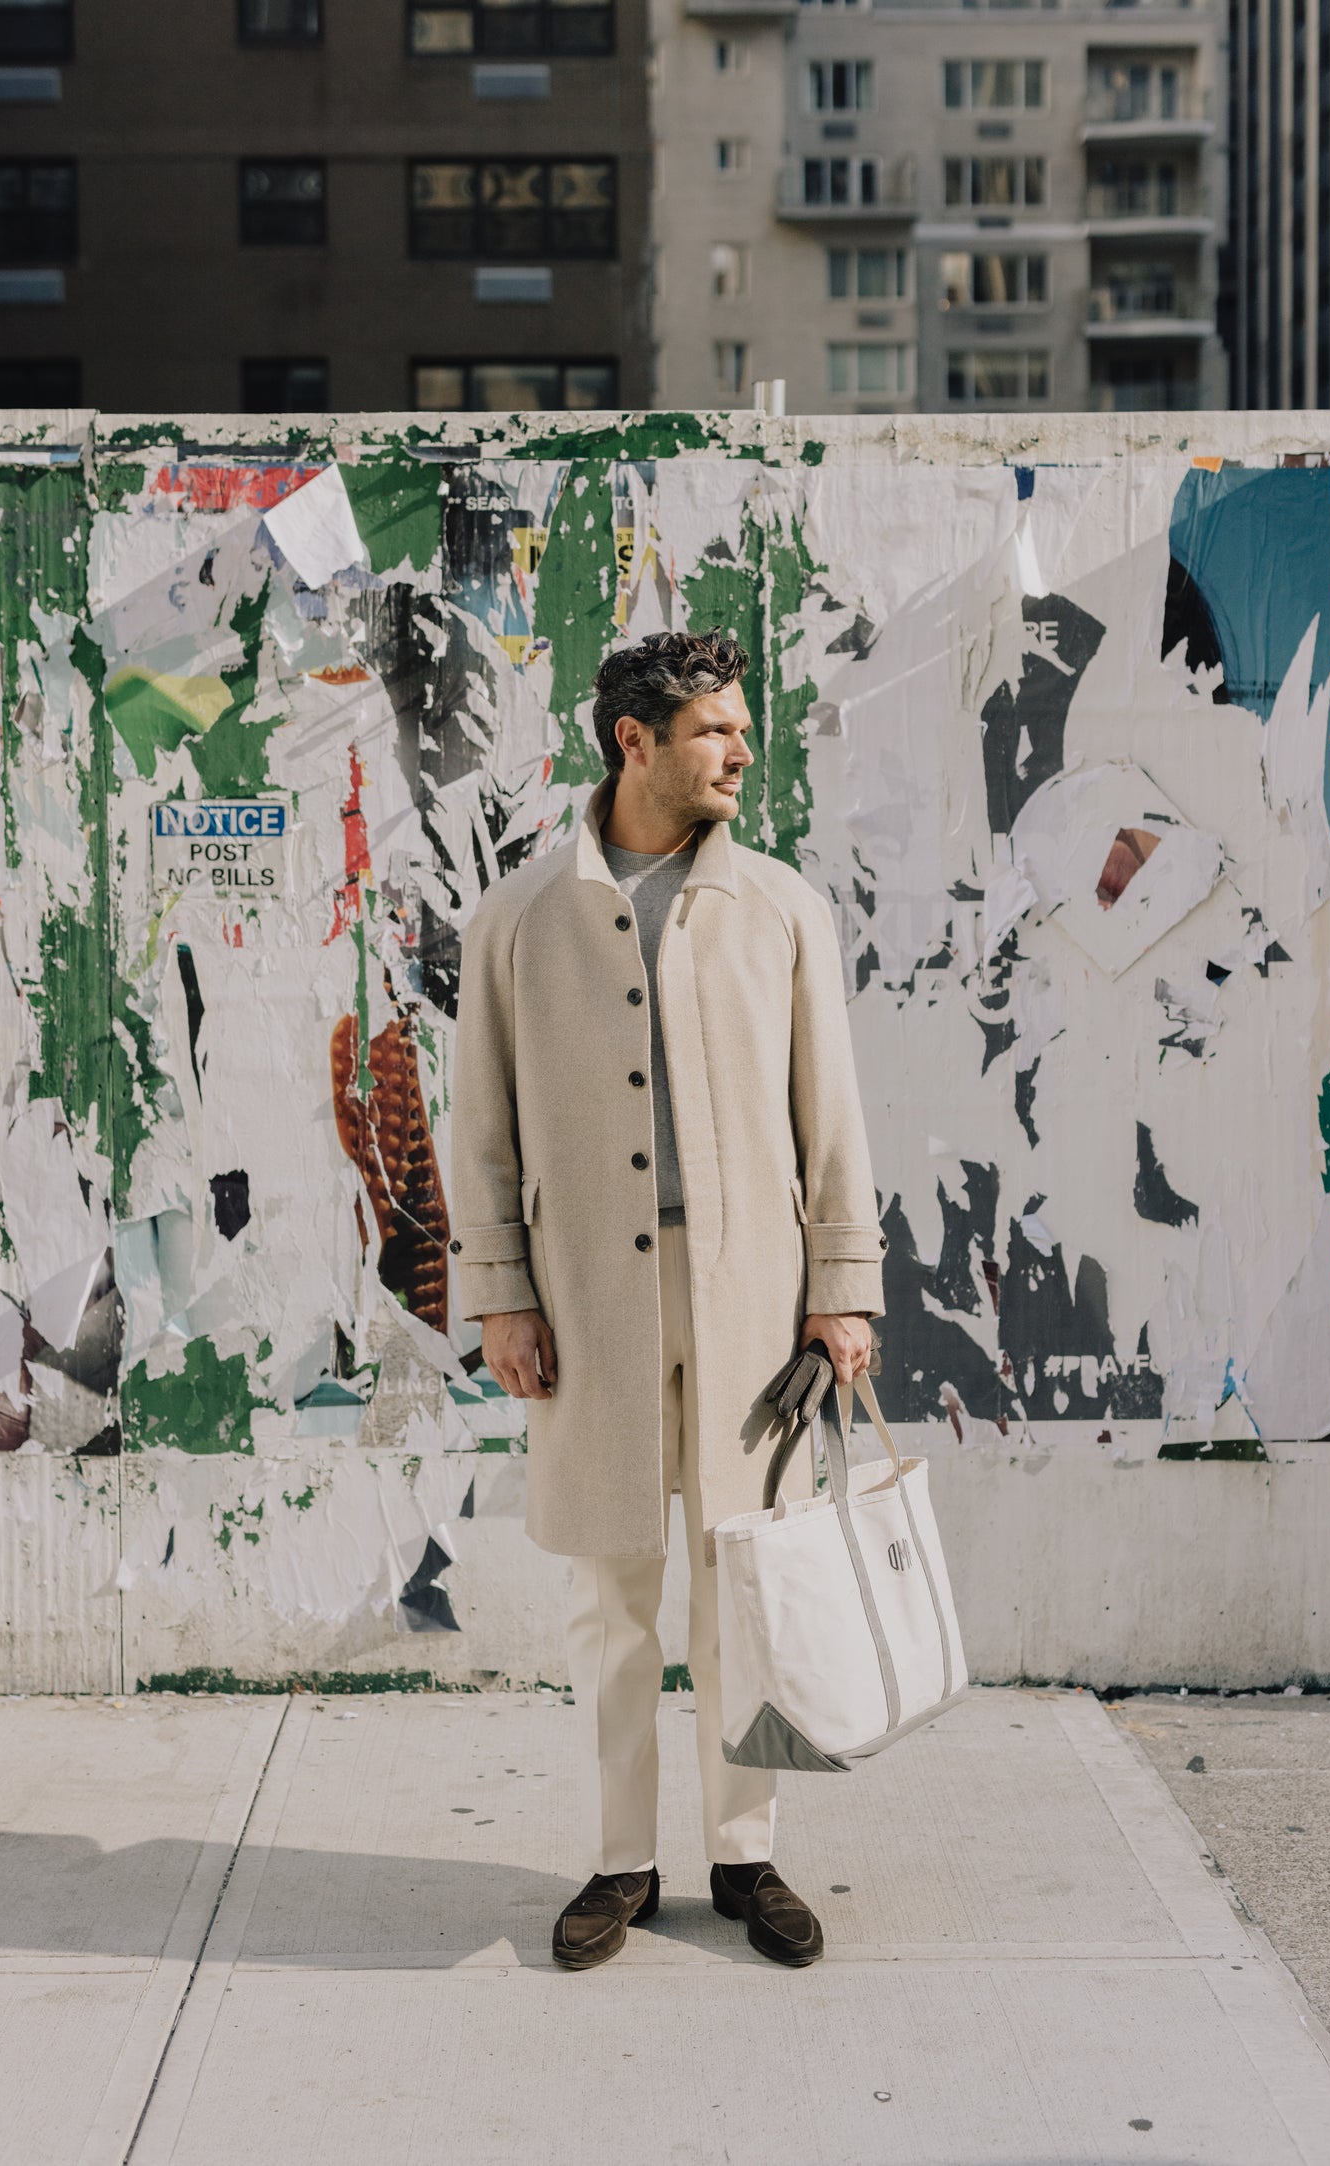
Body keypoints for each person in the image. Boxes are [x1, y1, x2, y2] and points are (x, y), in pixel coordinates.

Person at [448, 628, 887, 1971]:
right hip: (588, 1311)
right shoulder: (518, 915)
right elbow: (482, 1132)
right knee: (613, 1597)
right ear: (632, 739)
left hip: (752, 1299)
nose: (740, 749)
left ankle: (745, 1852)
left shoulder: (781, 908)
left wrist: (844, 1291)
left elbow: (832, 1118)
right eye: (714, 728)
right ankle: (623, 1858)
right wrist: (499, 1298)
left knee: (743, 1587)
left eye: (739, 727)